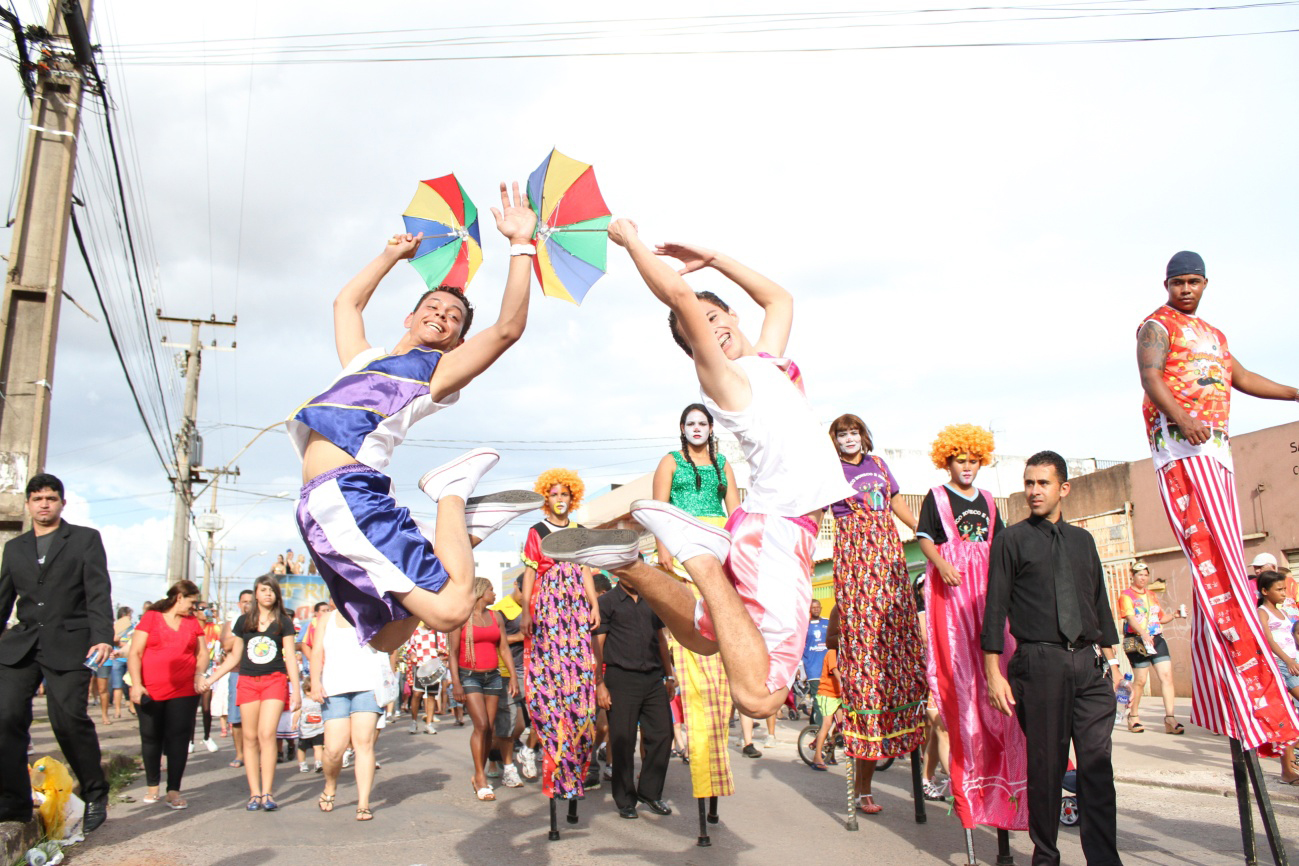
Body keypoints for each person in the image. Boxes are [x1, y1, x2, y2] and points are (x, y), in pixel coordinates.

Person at [544, 225, 853, 722]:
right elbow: (678, 294)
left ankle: (628, 563)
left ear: (733, 314)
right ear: (694, 351)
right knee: (759, 698)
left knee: (703, 635)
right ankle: (702, 560)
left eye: (716, 318)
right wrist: (632, 243)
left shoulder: (769, 365)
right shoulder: (727, 381)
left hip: (763, 524)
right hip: (779, 530)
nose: (711, 331)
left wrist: (714, 256)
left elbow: (779, 300)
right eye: (698, 333)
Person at [287, 182, 544, 655]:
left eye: (454, 318)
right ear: (410, 317)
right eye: (434, 307)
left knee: (449, 612)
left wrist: (520, 244)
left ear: (456, 341)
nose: (443, 316)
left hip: (348, 490)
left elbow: (508, 329)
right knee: (389, 635)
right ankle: (461, 530)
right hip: (317, 504)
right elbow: (347, 304)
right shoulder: (363, 362)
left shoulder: (436, 373)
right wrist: (390, 256)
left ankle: (451, 492)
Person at [1136, 250, 1299, 749]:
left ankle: (1245, 684)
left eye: (1193, 282)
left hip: (1217, 453)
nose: (1185, 289)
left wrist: (1295, 393)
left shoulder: (1214, 336)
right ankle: (1237, 685)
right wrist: (1182, 418)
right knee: (1214, 562)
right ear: (1166, 284)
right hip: (1182, 450)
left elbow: (1243, 380)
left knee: (1229, 560)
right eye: (1178, 282)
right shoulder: (1156, 327)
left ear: (1205, 284)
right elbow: (1150, 376)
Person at [984, 451, 1122, 866]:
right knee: (1046, 768)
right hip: (1038, 664)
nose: (1033, 491)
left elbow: (1097, 598)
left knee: (1097, 766)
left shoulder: (1083, 541)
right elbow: (994, 607)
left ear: (1063, 488)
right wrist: (994, 670)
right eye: (1028, 483)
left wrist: (1112, 659)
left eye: (1042, 483)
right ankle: (1046, 857)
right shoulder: (1011, 540)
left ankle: (1104, 859)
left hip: (1089, 665)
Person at [916, 424, 1025, 832]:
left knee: (997, 651)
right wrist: (941, 564)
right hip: (952, 589)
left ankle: (1004, 745)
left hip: (986, 589)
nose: (967, 466)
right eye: (960, 460)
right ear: (948, 461)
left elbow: (1000, 546)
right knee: (960, 660)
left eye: (973, 460)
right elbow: (925, 537)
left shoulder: (990, 500)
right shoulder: (937, 497)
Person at [0, 474, 112, 830]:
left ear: (62, 502)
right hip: (23, 644)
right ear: (29, 504)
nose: (44, 504)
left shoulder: (84, 540)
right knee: (6, 718)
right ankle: (15, 802)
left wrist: (103, 636)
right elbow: (3, 599)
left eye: (50, 498)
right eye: (37, 499)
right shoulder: (15, 548)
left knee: (66, 718)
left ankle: (95, 792)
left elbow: (97, 591)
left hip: (72, 642)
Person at [828, 413, 926, 814]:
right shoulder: (827, 472)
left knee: (899, 642)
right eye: (841, 433)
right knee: (866, 659)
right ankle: (862, 786)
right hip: (855, 562)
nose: (849, 439)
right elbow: (816, 516)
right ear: (833, 441)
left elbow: (901, 508)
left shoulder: (880, 465)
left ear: (863, 436)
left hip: (887, 557)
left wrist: (929, 535)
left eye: (853, 432)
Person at [650, 403, 737, 800]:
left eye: (703, 422)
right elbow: (658, 508)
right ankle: (691, 740)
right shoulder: (670, 461)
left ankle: (716, 759)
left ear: (711, 427)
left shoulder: (722, 463)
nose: (697, 428)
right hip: (683, 545)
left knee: (721, 641)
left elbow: (735, 513)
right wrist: (662, 546)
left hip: (719, 547)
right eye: (690, 423)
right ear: (682, 428)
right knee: (692, 638)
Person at [520, 469, 600, 803]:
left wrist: (594, 605)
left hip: (576, 610)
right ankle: (548, 749)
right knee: (551, 679)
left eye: (565, 494)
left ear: (573, 497)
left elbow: (585, 571)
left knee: (578, 681)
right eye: (554, 494)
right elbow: (529, 571)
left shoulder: (581, 532)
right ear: (546, 498)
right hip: (549, 604)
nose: (560, 499)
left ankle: (577, 765)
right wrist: (527, 609)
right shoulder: (536, 531)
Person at [203, 575, 301, 811]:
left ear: (276, 595)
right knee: (249, 737)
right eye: (263, 590)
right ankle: (254, 793)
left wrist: (296, 690)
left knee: (267, 734)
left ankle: (267, 793)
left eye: (272, 591)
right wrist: (211, 678)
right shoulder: (243, 622)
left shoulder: (283, 622)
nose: (268, 594)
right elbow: (234, 657)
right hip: (247, 681)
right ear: (256, 594)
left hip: (274, 681)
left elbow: (290, 658)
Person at [595, 576, 677, 819]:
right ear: (620, 573)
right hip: (621, 679)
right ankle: (625, 800)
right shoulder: (608, 602)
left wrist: (669, 676)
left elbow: (661, 639)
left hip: (653, 679)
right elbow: (597, 644)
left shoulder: (652, 600)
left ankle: (650, 793)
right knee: (623, 741)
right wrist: (599, 683)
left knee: (663, 734)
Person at [127, 579, 208, 810]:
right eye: (192, 602)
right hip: (150, 689)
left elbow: (202, 653)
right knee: (150, 735)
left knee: (179, 738)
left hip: (184, 689)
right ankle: (153, 785)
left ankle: (173, 790)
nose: (194, 608)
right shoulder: (151, 617)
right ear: (179, 597)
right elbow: (135, 653)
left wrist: (199, 674)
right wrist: (136, 684)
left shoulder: (192, 622)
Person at [308, 607, 385, 820]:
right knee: (333, 750)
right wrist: (315, 682)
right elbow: (316, 652)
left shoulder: (371, 612)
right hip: (334, 688)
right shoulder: (326, 618)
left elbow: (388, 645)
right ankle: (330, 785)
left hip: (367, 686)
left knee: (364, 745)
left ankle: (363, 803)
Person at [448, 578, 517, 802]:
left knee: (489, 729)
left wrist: (513, 676)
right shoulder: (461, 618)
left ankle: (482, 771)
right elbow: (453, 652)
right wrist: (456, 683)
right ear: (479, 592)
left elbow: (504, 648)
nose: (494, 594)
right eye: (491, 590)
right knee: (481, 725)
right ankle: (480, 777)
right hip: (470, 677)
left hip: (494, 676)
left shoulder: (495, 616)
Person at [1118, 561, 1188, 734]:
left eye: (1145, 575)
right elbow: (1130, 617)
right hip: (1137, 641)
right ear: (1132, 576)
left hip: (1156, 639)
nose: (1143, 578)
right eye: (1139, 574)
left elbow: (1159, 618)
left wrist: (1174, 615)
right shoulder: (1126, 595)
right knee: (1140, 680)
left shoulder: (1151, 595)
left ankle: (1170, 718)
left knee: (1166, 676)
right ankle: (1133, 716)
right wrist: (1142, 632)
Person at [1256, 571, 1299, 783]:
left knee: (1289, 716)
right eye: (1279, 590)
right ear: (1265, 591)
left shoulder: (1282, 613)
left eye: (1285, 589)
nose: (1284, 593)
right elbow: (1269, 641)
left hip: (1292, 662)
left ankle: (1289, 767)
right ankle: (1288, 768)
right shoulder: (1263, 612)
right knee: (1287, 715)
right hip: (1281, 665)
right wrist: (1288, 661)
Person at [487, 575, 527, 788]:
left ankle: (500, 754)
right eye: (523, 591)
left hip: (528, 672)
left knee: (518, 725)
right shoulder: (501, 609)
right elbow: (494, 641)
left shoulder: (534, 606)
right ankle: (498, 762)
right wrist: (520, 638)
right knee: (506, 723)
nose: (525, 596)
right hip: (505, 673)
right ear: (515, 586)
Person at [404, 622, 442, 735]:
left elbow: (443, 650)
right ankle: (414, 721)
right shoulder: (415, 632)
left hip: (434, 667)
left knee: (431, 695)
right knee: (417, 694)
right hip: (420, 667)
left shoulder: (439, 633)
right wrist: (413, 656)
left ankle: (428, 724)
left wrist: (443, 654)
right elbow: (410, 648)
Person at [802, 600, 828, 725]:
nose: (816, 609)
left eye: (818, 607)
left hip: (827, 668)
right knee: (818, 699)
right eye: (813, 607)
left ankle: (814, 723)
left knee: (826, 699)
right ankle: (819, 728)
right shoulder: (805, 627)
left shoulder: (827, 623)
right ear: (810, 610)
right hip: (813, 668)